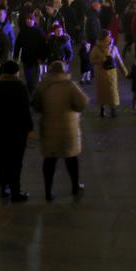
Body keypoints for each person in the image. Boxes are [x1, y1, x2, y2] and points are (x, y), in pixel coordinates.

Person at [31, 61, 87, 201]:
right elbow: (82, 103)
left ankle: (48, 191)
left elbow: (36, 105)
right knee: (71, 158)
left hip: (48, 127)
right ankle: (75, 186)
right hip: (69, 128)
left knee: (50, 160)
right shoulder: (70, 85)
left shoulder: (42, 85)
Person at [0, 60, 33, 201]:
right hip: (19, 128)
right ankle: (16, 190)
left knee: (3, 158)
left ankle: (3, 187)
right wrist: (30, 127)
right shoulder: (20, 86)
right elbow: (26, 109)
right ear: (16, 72)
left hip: (3, 128)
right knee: (16, 160)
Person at [91, 30, 126, 118]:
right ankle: (102, 110)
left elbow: (118, 60)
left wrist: (125, 71)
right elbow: (91, 60)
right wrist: (101, 60)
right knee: (102, 92)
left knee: (112, 92)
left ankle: (113, 110)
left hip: (111, 74)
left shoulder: (113, 47)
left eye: (110, 36)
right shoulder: (96, 48)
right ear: (103, 38)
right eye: (108, 36)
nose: (110, 38)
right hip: (101, 73)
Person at [13, 12, 46, 94]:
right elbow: (18, 44)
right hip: (26, 57)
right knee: (28, 75)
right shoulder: (23, 31)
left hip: (35, 58)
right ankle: (31, 88)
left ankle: (32, 89)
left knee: (34, 76)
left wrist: (42, 57)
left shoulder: (38, 31)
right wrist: (16, 54)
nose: (28, 21)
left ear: (33, 21)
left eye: (30, 19)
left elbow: (43, 45)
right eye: (27, 20)